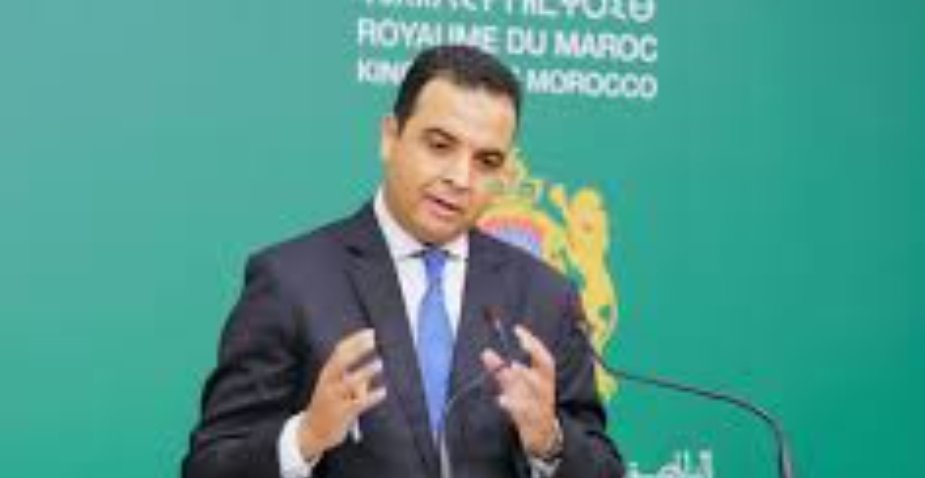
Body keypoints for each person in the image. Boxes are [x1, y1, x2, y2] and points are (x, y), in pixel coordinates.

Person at [183, 44, 624, 478]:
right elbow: (208, 466)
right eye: (440, 145)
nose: (460, 178)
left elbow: (603, 466)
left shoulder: (546, 297)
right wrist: (306, 436)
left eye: (486, 161)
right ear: (390, 137)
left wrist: (550, 441)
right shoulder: (291, 281)